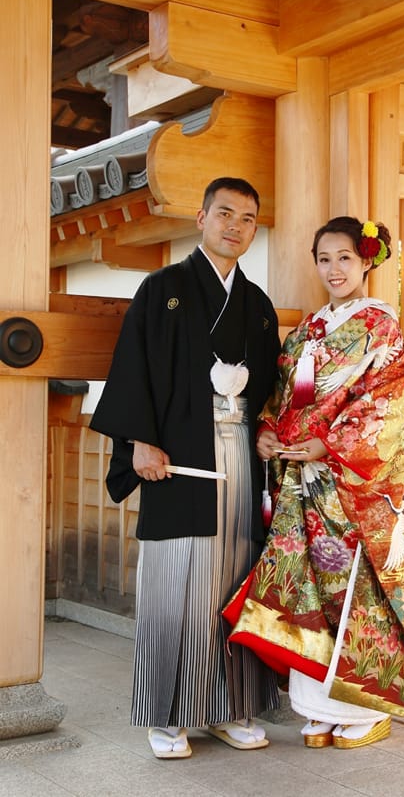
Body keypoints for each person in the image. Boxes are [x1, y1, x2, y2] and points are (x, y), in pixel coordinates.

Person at [224, 216, 404, 749]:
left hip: (350, 484)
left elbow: (388, 404)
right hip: (302, 483)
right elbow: (280, 394)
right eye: (324, 259)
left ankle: (363, 706)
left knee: (355, 590)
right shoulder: (307, 330)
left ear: (367, 260)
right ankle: (317, 706)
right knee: (308, 588)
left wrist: (329, 444)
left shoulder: (380, 326)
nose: (334, 269)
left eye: (344, 257)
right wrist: (268, 432)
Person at [89, 177, 281, 758]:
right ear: (201, 218)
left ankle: (230, 707)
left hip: (240, 455)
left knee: (236, 576)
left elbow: (271, 389)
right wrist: (139, 441)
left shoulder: (257, 304)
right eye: (224, 214)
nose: (235, 227)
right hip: (177, 459)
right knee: (175, 582)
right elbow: (133, 367)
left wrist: (268, 428)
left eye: (247, 219)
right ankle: (167, 715)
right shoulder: (163, 288)